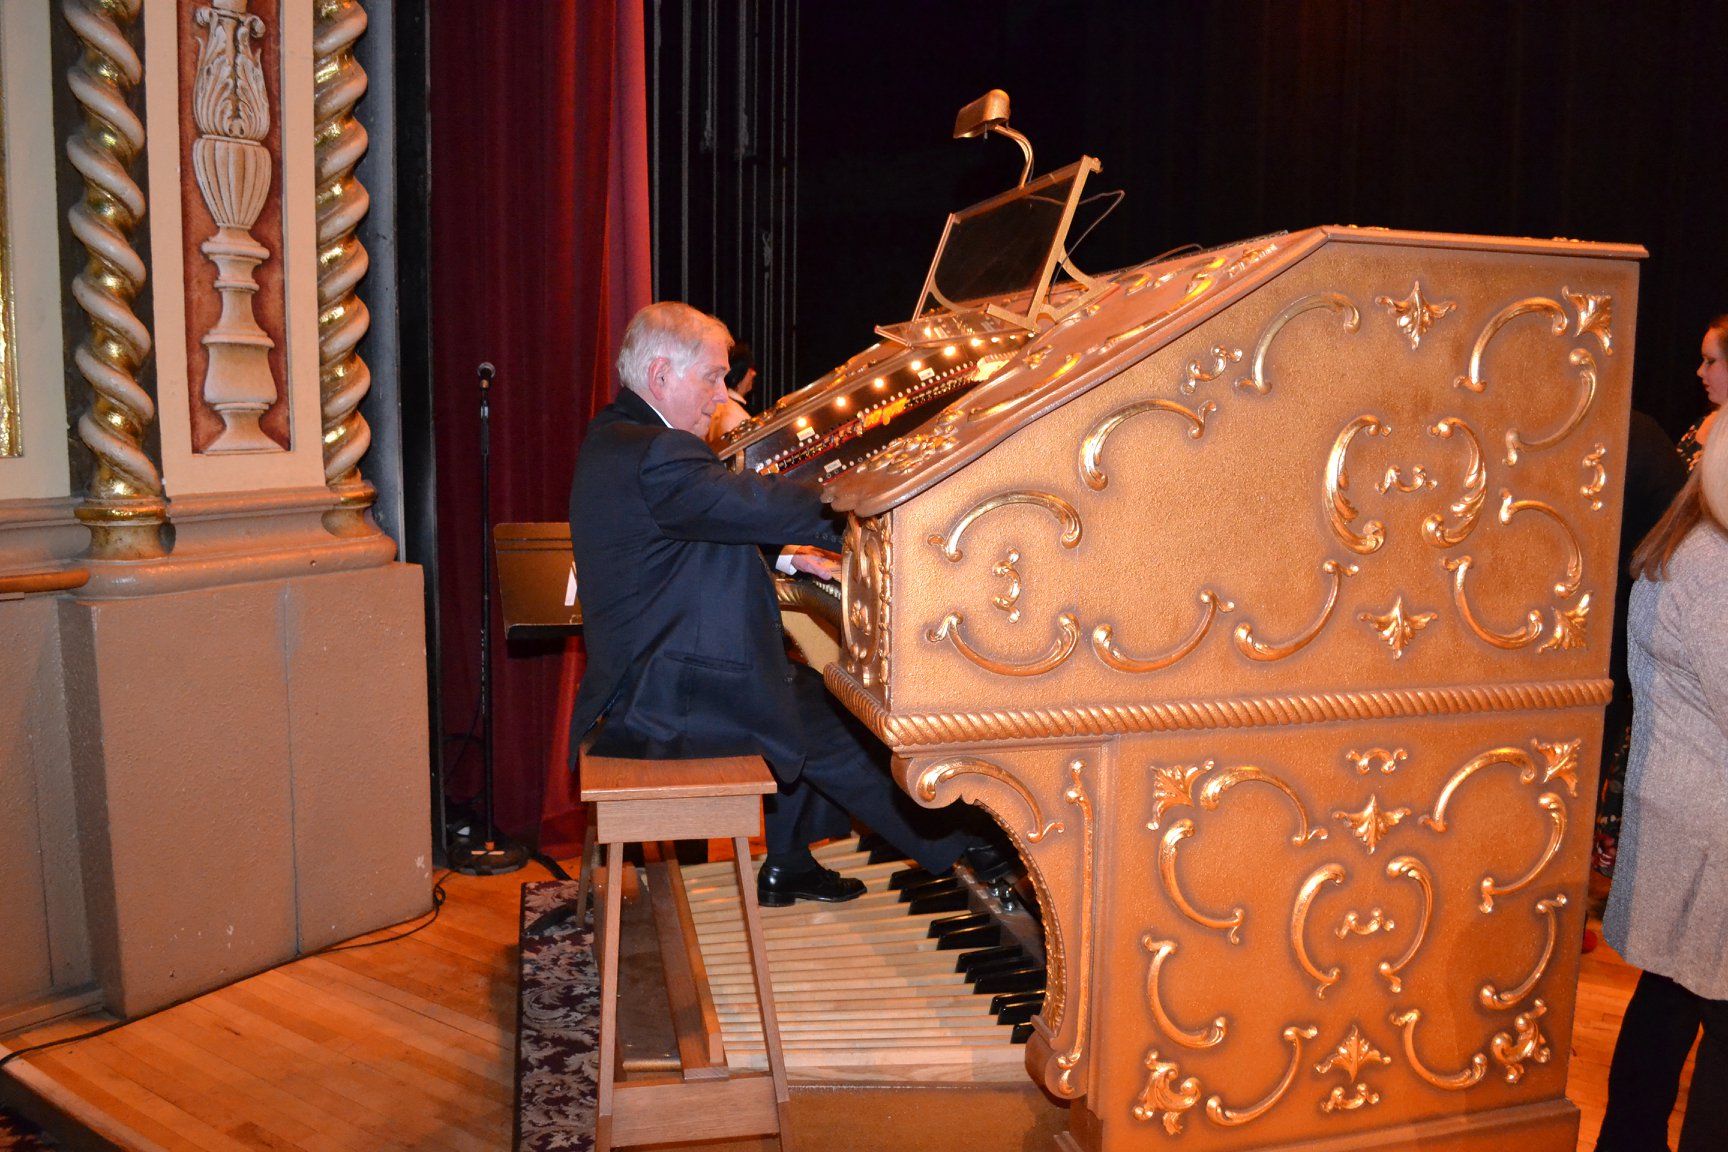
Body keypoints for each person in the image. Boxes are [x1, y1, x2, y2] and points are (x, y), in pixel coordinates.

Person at [568, 302, 1002, 906]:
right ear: (662, 374)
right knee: (845, 727)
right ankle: (971, 852)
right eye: (712, 377)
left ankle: (791, 863)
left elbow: (688, 530)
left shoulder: (616, 438)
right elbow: (750, 504)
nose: (721, 396)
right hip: (668, 701)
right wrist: (876, 512)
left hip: (648, 676)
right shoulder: (658, 453)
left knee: (805, 697)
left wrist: (787, 560)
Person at [1595, 410, 1728, 1150]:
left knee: (1670, 1003)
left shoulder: (1697, 543)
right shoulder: (1714, 565)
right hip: (1710, 822)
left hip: (1693, 813)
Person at [706, 341, 756, 446]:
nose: (754, 373)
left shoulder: (719, 407)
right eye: (750, 368)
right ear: (739, 373)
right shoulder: (735, 415)